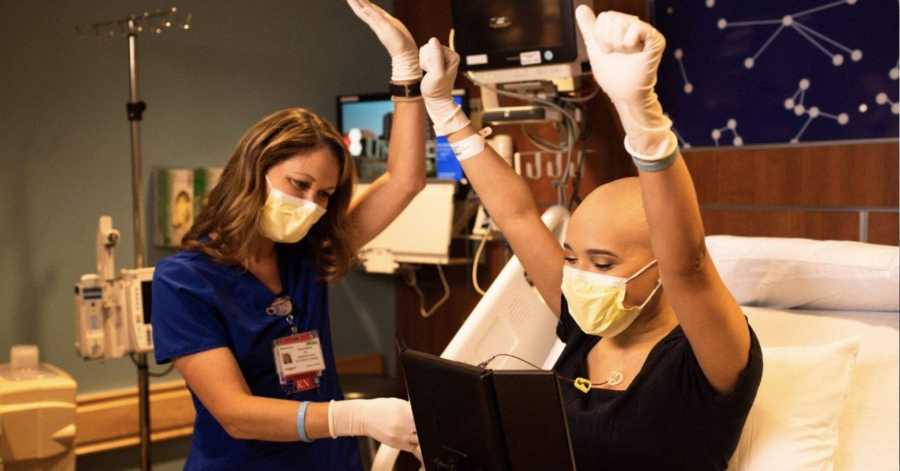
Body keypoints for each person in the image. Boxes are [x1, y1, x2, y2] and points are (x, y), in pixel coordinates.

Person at [417, 7, 762, 470]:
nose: (578, 278)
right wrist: (445, 112)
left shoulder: (705, 361)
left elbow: (691, 265)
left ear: (660, 268)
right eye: (571, 258)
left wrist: (641, 117)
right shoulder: (586, 326)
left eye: (602, 264)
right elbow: (518, 216)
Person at [150, 1, 426, 469]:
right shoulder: (184, 282)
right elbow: (236, 414)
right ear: (252, 171)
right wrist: (353, 417)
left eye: (324, 195)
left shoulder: (305, 256)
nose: (311, 205)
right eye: (299, 185)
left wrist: (407, 75)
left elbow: (404, 180)